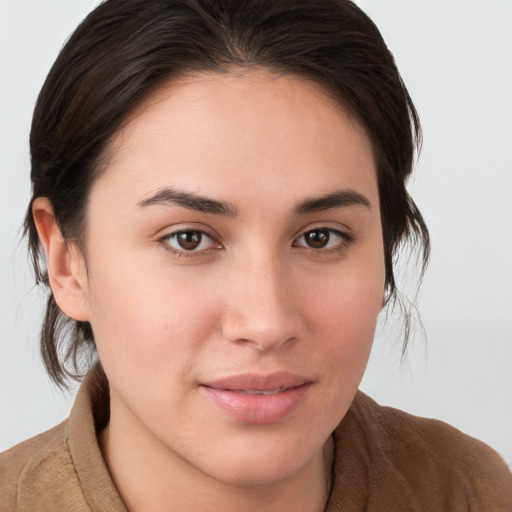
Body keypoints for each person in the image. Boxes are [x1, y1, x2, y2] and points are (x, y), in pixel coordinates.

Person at [0, 0, 511, 510]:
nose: (266, 323)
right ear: (67, 263)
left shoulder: (472, 493)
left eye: (320, 237)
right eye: (189, 239)